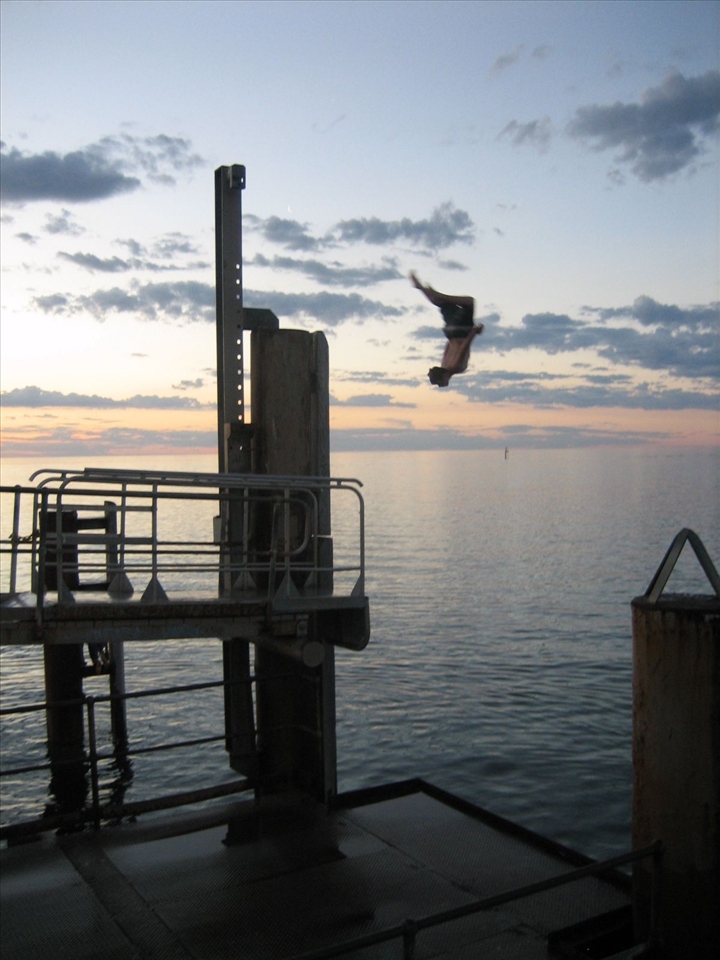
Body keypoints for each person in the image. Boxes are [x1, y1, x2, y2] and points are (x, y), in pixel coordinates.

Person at [410, 272, 484, 387]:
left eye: (441, 382)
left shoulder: (457, 367)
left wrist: (474, 332)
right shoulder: (443, 364)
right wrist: (451, 334)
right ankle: (420, 287)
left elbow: (463, 348)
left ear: (444, 377)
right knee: (444, 304)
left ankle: (437, 293)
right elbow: (448, 346)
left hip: (461, 332)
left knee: (469, 302)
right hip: (450, 333)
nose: (442, 385)